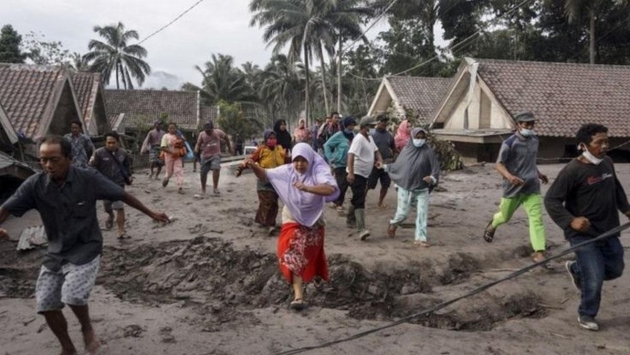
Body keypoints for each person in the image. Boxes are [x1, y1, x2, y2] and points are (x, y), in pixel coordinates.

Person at [0, 135, 169, 355]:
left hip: (86, 247)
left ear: (69, 158)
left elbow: (122, 195)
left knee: (72, 294)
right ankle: (67, 347)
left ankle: (87, 328)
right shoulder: (35, 185)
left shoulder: (88, 179)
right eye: (44, 160)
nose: (48, 165)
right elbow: (6, 209)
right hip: (56, 250)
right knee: (45, 303)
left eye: (54, 159)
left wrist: (151, 213)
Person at [544, 123, 630, 331]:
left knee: (615, 269)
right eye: (598, 142)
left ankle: (575, 268)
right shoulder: (572, 170)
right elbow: (551, 200)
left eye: (606, 142)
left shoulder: (607, 163)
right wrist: (571, 220)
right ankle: (586, 314)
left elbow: (616, 189)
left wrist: (627, 210)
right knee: (594, 276)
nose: (604, 146)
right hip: (583, 235)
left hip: (608, 230)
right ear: (583, 145)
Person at [244, 143, 339, 310]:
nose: (299, 165)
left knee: (312, 252)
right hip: (292, 215)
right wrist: (253, 166)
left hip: (314, 218)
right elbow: (264, 175)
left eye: (303, 161)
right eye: (296, 161)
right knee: (292, 250)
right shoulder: (287, 170)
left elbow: (330, 188)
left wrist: (308, 188)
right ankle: (299, 296)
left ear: (310, 160)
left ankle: (316, 275)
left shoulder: (319, 170)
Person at [483, 111, 548, 263]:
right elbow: (498, 165)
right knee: (505, 217)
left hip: (532, 187)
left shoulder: (534, 140)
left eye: (532, 124)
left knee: (536, 219)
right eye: (526, 124)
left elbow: (530, 161)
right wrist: (509, 177)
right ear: (518, 125)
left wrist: (539, 174)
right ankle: (493, 224)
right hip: (513, 188)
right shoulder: (509, 143)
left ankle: (539, 252)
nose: (529, 127)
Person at [385, 128, 440, 247]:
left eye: (422, 138)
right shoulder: (406, 150)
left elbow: (435, 169)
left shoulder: (428, 151)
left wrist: (432, 178)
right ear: (412, 137)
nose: (420, 140)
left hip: (422, 188)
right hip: (406, 187)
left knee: (422, 213)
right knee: (403, 214)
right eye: (417, 137)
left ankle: (420, 238)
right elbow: (398, 166)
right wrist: (385, 167)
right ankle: (394, 223)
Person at [236, 130, 286, 234]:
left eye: (274, 138)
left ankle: (264, 220)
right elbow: (250, 160)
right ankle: (270, 225)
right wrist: (240, 168)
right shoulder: (261, 150)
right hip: (263, 180)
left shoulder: (280, 149)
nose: (272, 140)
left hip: (276, 181)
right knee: (267, 201)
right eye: (270, 138)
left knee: (273, 203)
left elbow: (287, 161)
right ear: (266, 139)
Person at [89, 131, 134, 239]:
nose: (111, 145)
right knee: (107, 206)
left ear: (117, 142)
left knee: (119, 207)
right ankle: (110, 215)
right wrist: (97, 178)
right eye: (108, 143)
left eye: (113, 142)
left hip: (118, 184)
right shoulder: (98, 153)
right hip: (104, 184)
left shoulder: (123, 153)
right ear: (105, 142)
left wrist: (129, 175)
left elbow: (128, 166)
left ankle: (121, 231)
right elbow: (91, 167)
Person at [347, 116, 383, 240]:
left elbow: (376, 151)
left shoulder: (370, 138)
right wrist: (351, 173)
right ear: (364, 127)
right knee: (360, 199)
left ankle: (350, 217)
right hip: (356, 172)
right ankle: (361, 228)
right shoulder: (359, 139)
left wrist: (380, 161)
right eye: (370, 126)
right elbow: (351, 155)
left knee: (358, 196)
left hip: (365, 173)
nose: (372, 128)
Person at [324, 116, 357, 213]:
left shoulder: (354, 136)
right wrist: (331, 158)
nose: (352, 127)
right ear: (346, 125)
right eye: (350, 125)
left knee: (346, 184)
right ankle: (338, 203)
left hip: (349, 164)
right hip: (339, 164)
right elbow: (327, 145)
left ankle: (336, 201)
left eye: (353, 125)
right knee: (342, 184)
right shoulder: (339, 135)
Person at [367, 114, 398, 209]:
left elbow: (394, 148)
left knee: (385, 184)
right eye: (382, 121)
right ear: (378, 122)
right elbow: (367, 149)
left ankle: (380, 202)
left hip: (386, 164)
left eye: (385, 121)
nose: (384, 123)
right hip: (374, 164)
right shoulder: (371, 135)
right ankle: (361, 200)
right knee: (369, 184)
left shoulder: (389, 136)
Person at [194, 121, 232, 197]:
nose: (208, 132)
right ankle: (203, 189)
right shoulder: (202, 134)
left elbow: (227, 138)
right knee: (203, 172)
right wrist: (196, 150)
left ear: (212, 128)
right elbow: (198, 144)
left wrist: (230, 148)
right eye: (206, 130)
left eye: (209, 130)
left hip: (216, 154)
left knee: (216, 168)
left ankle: (215, 188)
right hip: (205, 155)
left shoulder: (218, 132)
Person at [161, 123, 186, 194]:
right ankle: (167, 178)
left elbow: (183, 142)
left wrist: (182, 139)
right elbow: (163, 147)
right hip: (168, 156)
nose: (172, 129)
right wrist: (172, 152)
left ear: (176, 129)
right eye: (171, 128)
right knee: (169, 172)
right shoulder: (165, 136)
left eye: (174, 128)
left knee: (179, 170)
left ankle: (180, 187)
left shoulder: (178, 135)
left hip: (177, 156)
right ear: (168, 129)